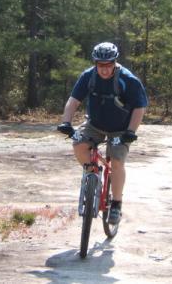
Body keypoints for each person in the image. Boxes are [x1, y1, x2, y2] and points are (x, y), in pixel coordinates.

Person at [57, 42, 148, 224]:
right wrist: (66, 122)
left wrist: (130, 132)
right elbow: (73, 100)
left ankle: (116, 204)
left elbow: (140, 108)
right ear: (95, 63)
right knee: (79, 145)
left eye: (108, 65)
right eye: (100, 65)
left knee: (116, 162)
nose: (104, 70)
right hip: (95, 124)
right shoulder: (88, 76)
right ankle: (93, 176)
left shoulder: (128, 80)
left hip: (120, 129)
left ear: (115, 62)